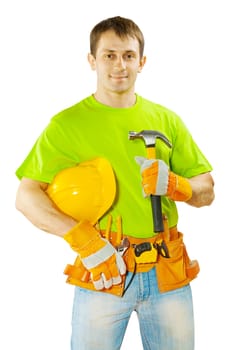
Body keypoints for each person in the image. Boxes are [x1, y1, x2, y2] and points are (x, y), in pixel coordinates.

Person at [15, 16, 215, 350]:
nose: (119, 64)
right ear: (92, 60)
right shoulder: (67, 125)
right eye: (109, 55)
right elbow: (26, 196)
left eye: (128, 55)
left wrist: (177, 185)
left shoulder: (166, 120)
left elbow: (206, 189)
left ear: (142, 61)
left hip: (167, 270)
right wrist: (86, 242)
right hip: (105, 270)